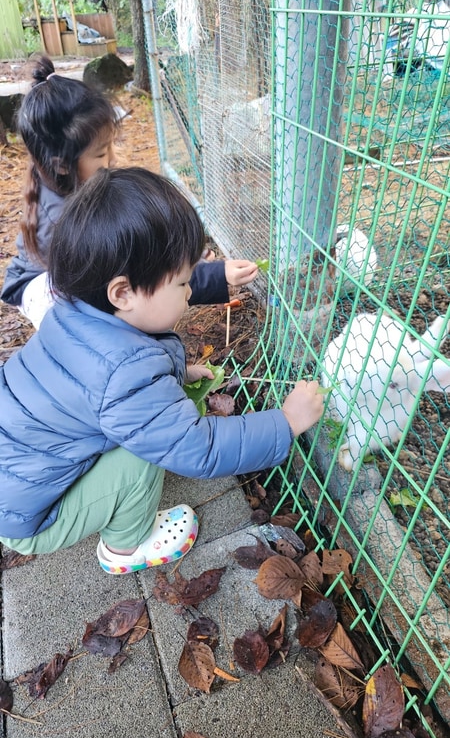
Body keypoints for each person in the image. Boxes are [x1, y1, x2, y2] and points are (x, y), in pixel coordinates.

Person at [0, 167, 324, 575]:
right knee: (138, 457)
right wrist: (286, 422)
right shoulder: (123, 372)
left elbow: (109, 383)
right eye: (183, 284)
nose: (191, 293)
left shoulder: (72, 313)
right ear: (122, 292)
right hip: (31, 518)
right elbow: (196, 447)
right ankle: (125, 548)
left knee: (140, 432)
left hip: (17, 478)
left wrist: (179, 373)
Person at [0, 55, 258, 329]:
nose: (112, 160)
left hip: (76, 275)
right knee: (107, 316)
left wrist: (186, 256)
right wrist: (214, 275)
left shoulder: (74, 185)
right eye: (101, 153)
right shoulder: (65, 222)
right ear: (62, 165)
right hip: (47, 292)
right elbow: (137, 279)